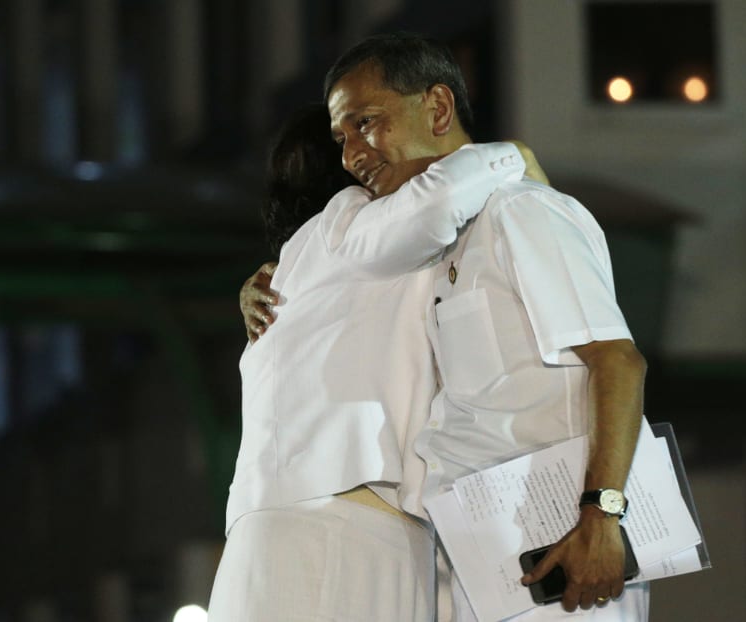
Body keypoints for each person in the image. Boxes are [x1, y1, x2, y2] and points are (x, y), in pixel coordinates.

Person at [245, 32, 650, 620]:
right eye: (341, 138)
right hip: (478, 559)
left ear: (436, 107)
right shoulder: (435, 243)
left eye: (367, 122)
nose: (353, 153)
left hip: (564, 548)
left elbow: (617, 359)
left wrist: (601, 514)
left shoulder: (522, 211)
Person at [208, 101, 529, 621]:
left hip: (270, 537)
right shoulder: (350, 220)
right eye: (350, 139)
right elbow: (445, 194)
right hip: (342, 533)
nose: (364, 152)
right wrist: (513, 155)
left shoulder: (298, 272)